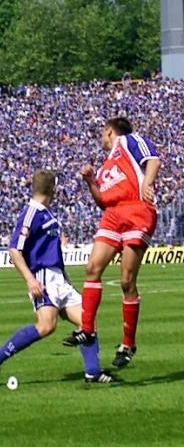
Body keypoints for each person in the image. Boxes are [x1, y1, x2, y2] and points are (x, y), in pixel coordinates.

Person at [0, 170, 116, 386]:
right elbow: (14, 249)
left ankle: (93, 371)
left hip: (58, 278)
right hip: (42, 277)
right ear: (53, 188)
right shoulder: (31, 213)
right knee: (46, 326)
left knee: (87, 321)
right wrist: (30, 279)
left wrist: (65, 279)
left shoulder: (46, 213)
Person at [63, 117, 161, 369]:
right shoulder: (107, 166)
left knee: (127, 280)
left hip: (137, 210)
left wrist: (147, 184)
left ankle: (128, 343)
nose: (100, 138)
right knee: (92, 269)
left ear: (109, 131)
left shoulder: (128, 141)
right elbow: (103, 201)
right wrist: (91, 182)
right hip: (112, 214)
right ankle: (86, 327)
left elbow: (153, 158)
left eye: (102, 133)